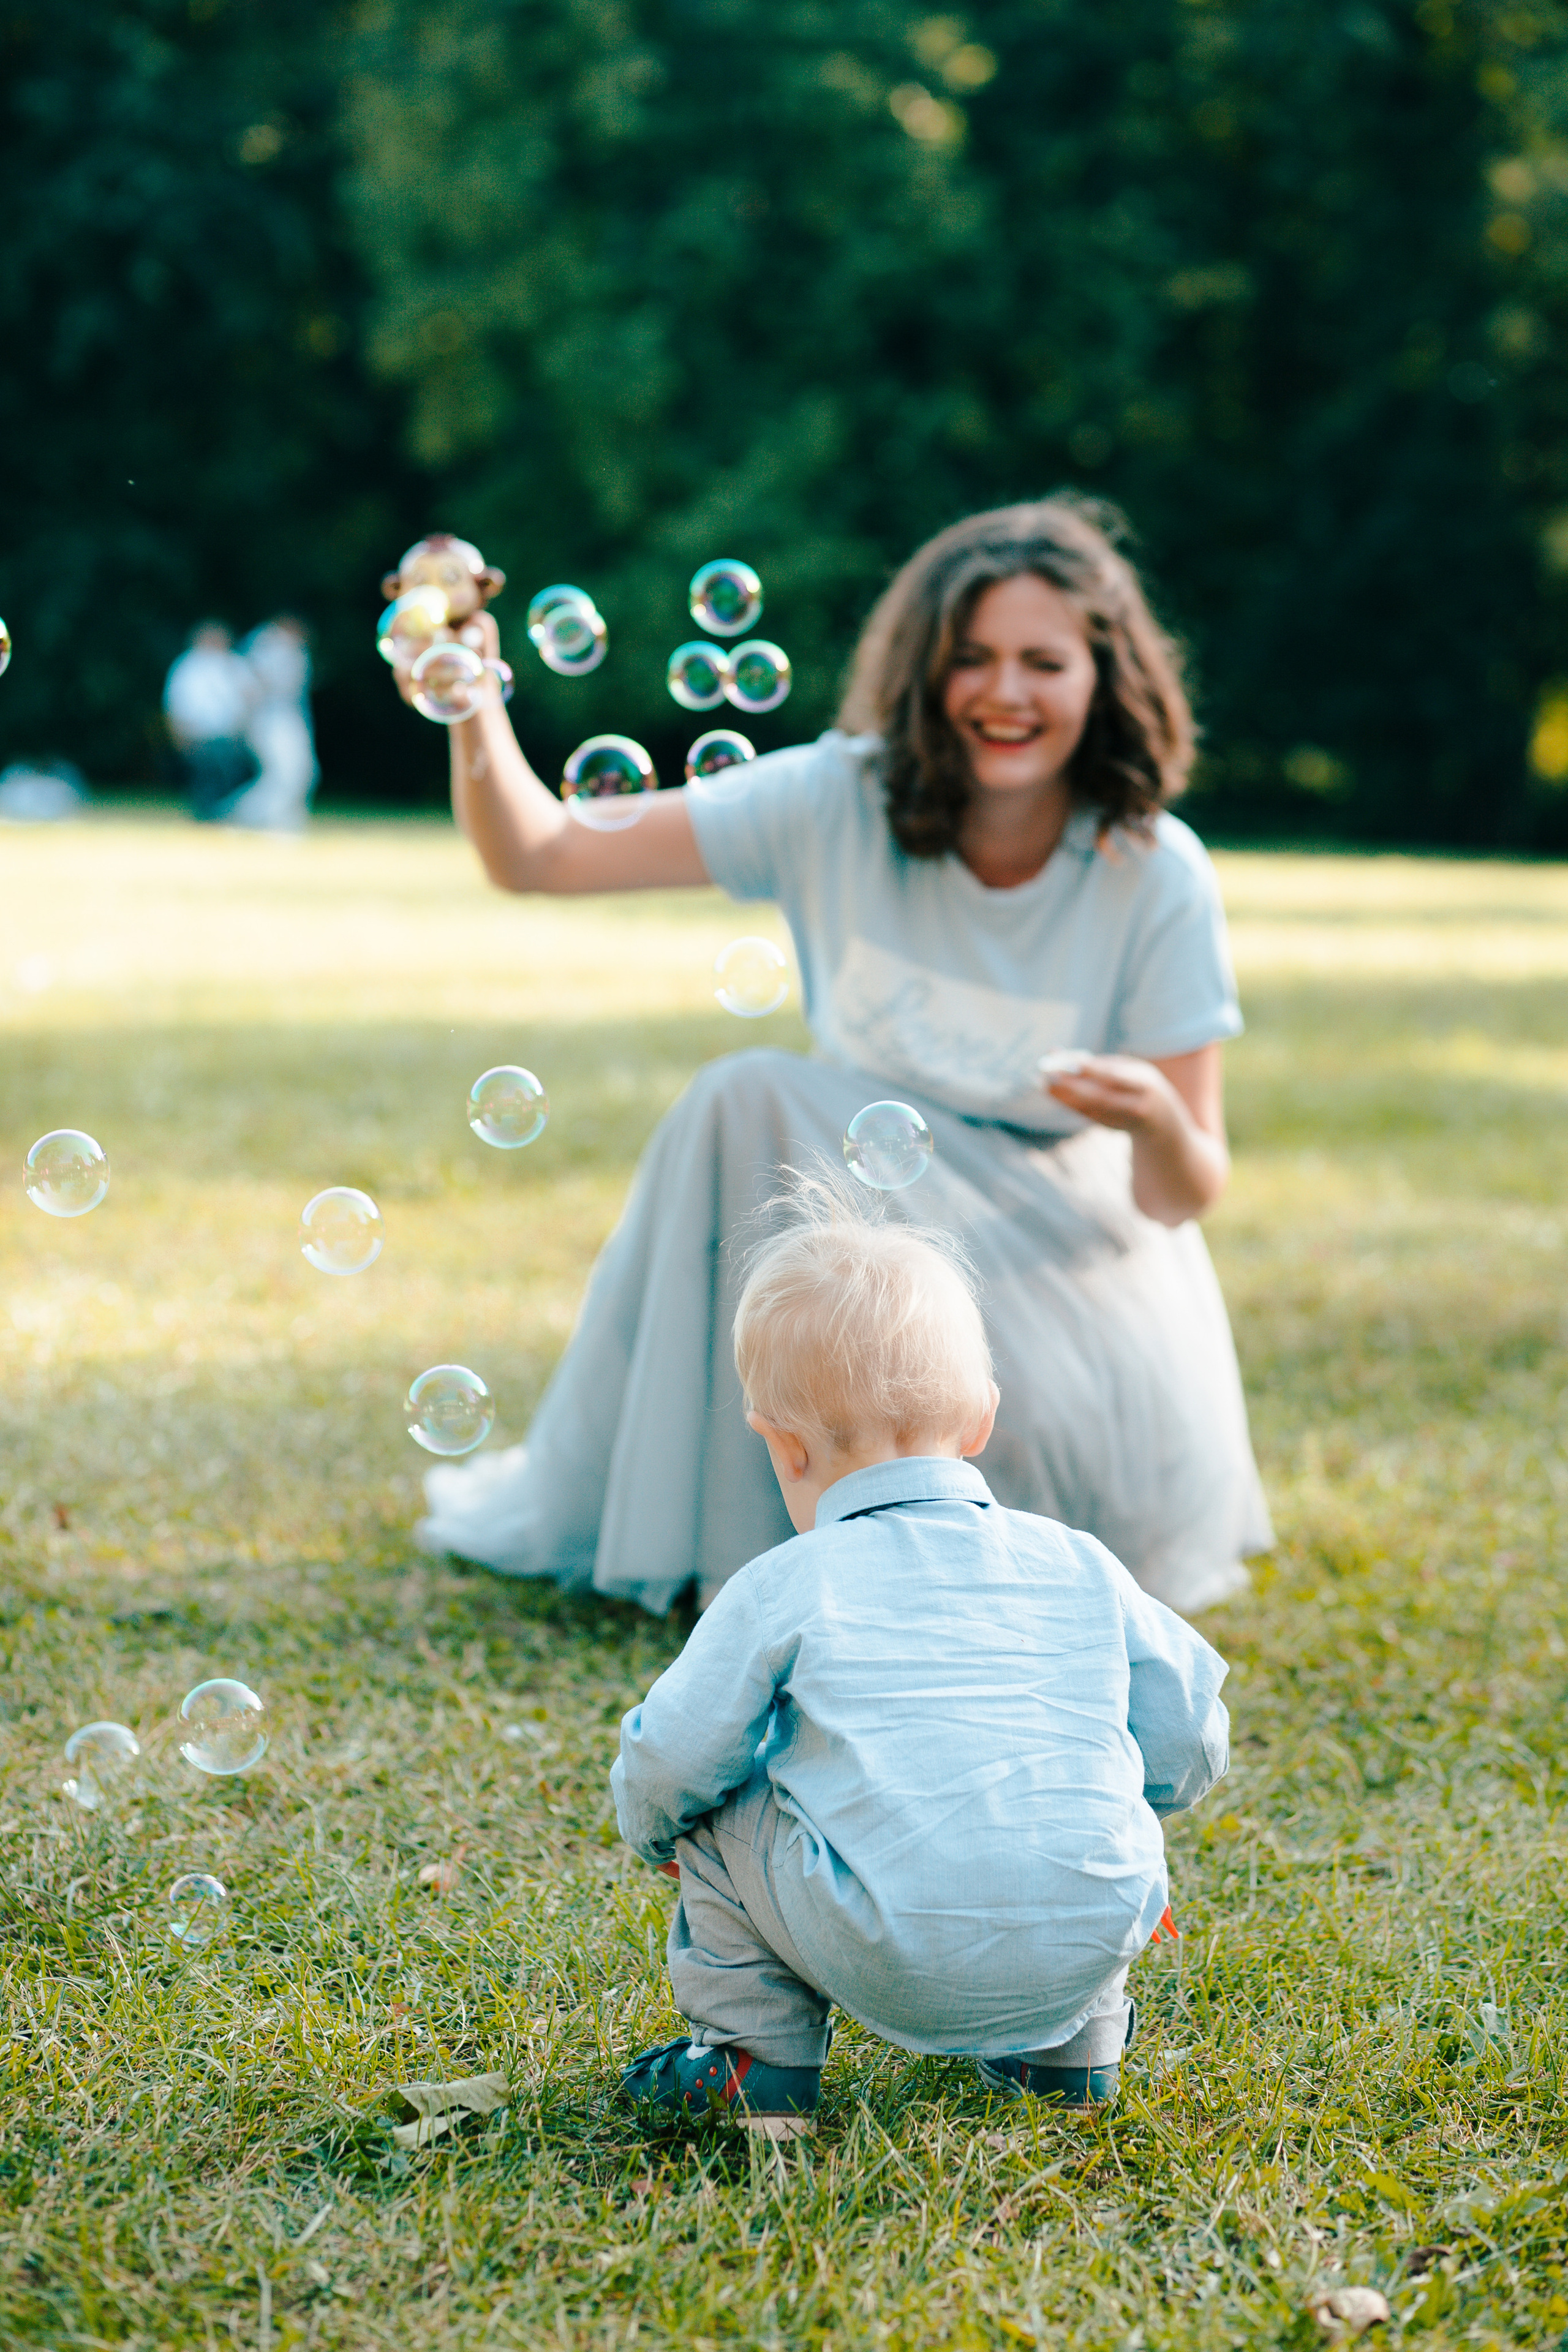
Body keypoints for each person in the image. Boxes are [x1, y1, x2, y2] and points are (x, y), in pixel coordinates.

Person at [402, 494, 1273, 1615]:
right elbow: (543, 853)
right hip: (864, 1242)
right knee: (747, 1097)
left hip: (1061, 1288)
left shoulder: (1154, 871)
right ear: (923, 671)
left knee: (756, 1097)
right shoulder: (836, 799)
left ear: (1104, 680)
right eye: (972, 659)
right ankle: (732, 1550)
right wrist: (470, 703)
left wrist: (1157, 1115)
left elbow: (1182, 1193)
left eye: (1043, 663)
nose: (1006, 694)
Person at [611, 1189, 1230, 2133]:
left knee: (717, 1791)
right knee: (1081, 1790)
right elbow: (1189, 1736)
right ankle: (1072, 2057)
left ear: (782, 1447)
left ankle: (754, 2059)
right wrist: (1116, 1792)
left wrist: (660, 1834)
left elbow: (670, 1761)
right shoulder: (1080, 1564)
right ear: (981, 1420)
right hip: (1094, 1933)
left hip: (883, 1949)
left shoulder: (786, 1583)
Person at [228, 616, 317, 833]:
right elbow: (251, 686)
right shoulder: (265, 645)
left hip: (289, 717)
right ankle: (239, 817)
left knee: (302, 774)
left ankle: (286, 823)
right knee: (286, 776)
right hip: (271, 718)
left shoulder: (295, 650)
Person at [163, 623, 258, 821]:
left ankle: (226, 817)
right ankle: (205, 818)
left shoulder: (235, 664)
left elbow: (250, 698)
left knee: (231, 778)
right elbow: (176, 703)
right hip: (200, 736)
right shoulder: (187, 666)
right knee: (206, 779)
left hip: (230, 735)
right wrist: (180, 735)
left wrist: (246, 729)